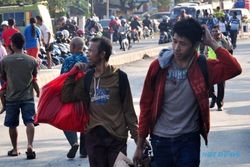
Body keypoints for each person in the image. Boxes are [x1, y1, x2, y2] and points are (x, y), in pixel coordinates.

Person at [133, 18, 242, 167]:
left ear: (195, 46)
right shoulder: (158, 67)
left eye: (183, 44)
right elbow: (145, 106)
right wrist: (139, 145)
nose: (177, 47)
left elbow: (234, 68)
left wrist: (211, 42)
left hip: (188, 141)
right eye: (175, 41)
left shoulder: (204, 67)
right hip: (160, 140)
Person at [61, 37, 138, 167]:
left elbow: (128, 110)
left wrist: (138, 139)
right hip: (94, 138)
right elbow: (67, 97)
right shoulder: (87, 78)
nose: (87, 54)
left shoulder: (120, 77)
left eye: (91, 51)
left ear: (102, 54)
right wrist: (72, 74)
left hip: (117, 138)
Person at [0, 32, 40, 159]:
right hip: (27, 97)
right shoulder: (32, 60)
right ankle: (30, 145)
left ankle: (15, 149)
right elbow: (34, 78)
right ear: (24, 44)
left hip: (12, 98)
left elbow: (3, 77)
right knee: (30, 121)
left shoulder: (5, 61)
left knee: (12, 124)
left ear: (12, 44)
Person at [60, 37, 88, 159]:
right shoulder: (88, 59)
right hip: (86, 96)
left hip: (70, 95)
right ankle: (84, 150)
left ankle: (74, 142)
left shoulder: (68, 60)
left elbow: (62, 78)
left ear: (73, 47)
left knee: (65, 120)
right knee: (85, 121)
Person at [205, 25, 233, 111]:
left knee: (221, 86)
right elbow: (206, 52)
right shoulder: (209, 41)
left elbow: (229, 48)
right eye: (213, 31)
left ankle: (219, 104)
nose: (214, 33)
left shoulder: (223, 41)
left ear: (220, 32)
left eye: (216, 31)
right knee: (209, 85)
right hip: (211, 65)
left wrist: (223, 38)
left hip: (221, 65)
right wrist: (206, 59)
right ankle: (213, 98)